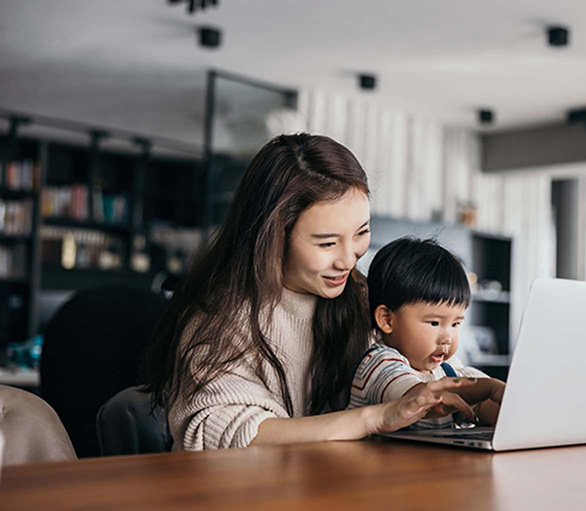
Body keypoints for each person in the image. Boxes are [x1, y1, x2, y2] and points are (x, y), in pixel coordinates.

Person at [142, 134, 476, 450]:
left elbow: (418, 367)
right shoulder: (220, 318)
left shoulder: (361, 299)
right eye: (327, 242)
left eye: (361, 233)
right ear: (273, 237)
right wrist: (373, 418)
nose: (348, 259)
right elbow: (220, 432)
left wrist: (484, 391)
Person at [349, 237, 506, 429]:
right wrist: (489, 388)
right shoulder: (379, 363)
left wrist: (500, 399)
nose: (447, 337)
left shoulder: (448, 368)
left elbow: (481, 403)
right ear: (387, 319)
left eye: (455, 324)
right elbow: (417, 398)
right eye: (434, 322)